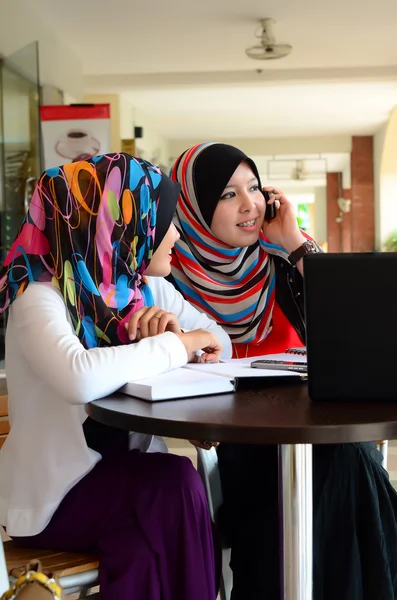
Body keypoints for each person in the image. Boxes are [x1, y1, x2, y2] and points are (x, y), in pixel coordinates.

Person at [169, 142, 397, 600]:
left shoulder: (282, 265)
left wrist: (293, 241)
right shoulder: (168, 281)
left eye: (253, 187)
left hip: (322, 436)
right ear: (192, 209)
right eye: (228, 194)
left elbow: (355, 325)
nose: (250, 205)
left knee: (345, 461)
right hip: (247, 452)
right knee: (346, 470)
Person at [0, 153, 232, 600]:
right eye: (165, 219)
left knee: (143, 546)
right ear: (125, 220)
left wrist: (181, 335)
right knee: (175, 482)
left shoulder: (145, 288)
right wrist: (175, 345)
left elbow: (219, 341)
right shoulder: (38, 297)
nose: (177, 235)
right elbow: (79, 378)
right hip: (56, 497)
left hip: (125, 484)